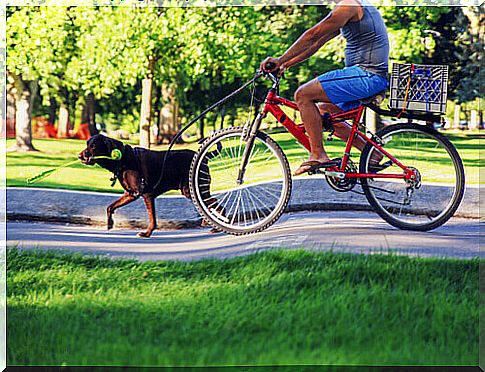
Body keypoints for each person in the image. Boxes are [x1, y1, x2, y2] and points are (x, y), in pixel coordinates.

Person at [260, 0, 389, 175]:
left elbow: (312, 35)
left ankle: (318, 155)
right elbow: (316, 43)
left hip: (367, 76)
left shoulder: (348, 5)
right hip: (368, 77)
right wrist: (285, 65)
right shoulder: (352, 7)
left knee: (303, 95)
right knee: (322, 113)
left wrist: (279, 59)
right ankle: (371, 153)